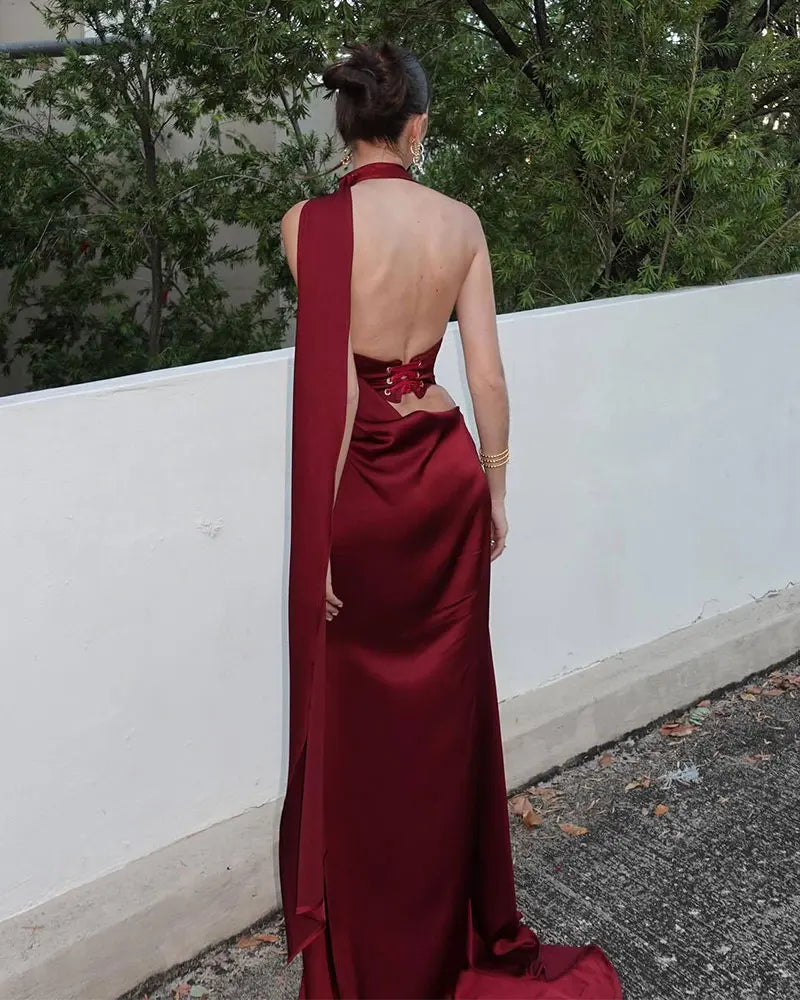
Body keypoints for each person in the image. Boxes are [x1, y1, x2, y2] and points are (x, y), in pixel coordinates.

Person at [278, 40, 623, 1000]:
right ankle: (449, 938)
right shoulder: (460, 223)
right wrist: (499, 489)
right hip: (446, 481)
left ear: (349, 126)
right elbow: (486, 376)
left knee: (360, 741)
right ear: (417, 128)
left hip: (367, 501)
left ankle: (369, 956)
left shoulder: (308, 226)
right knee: (445, 723)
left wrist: (322, 538)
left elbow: (332, 400)